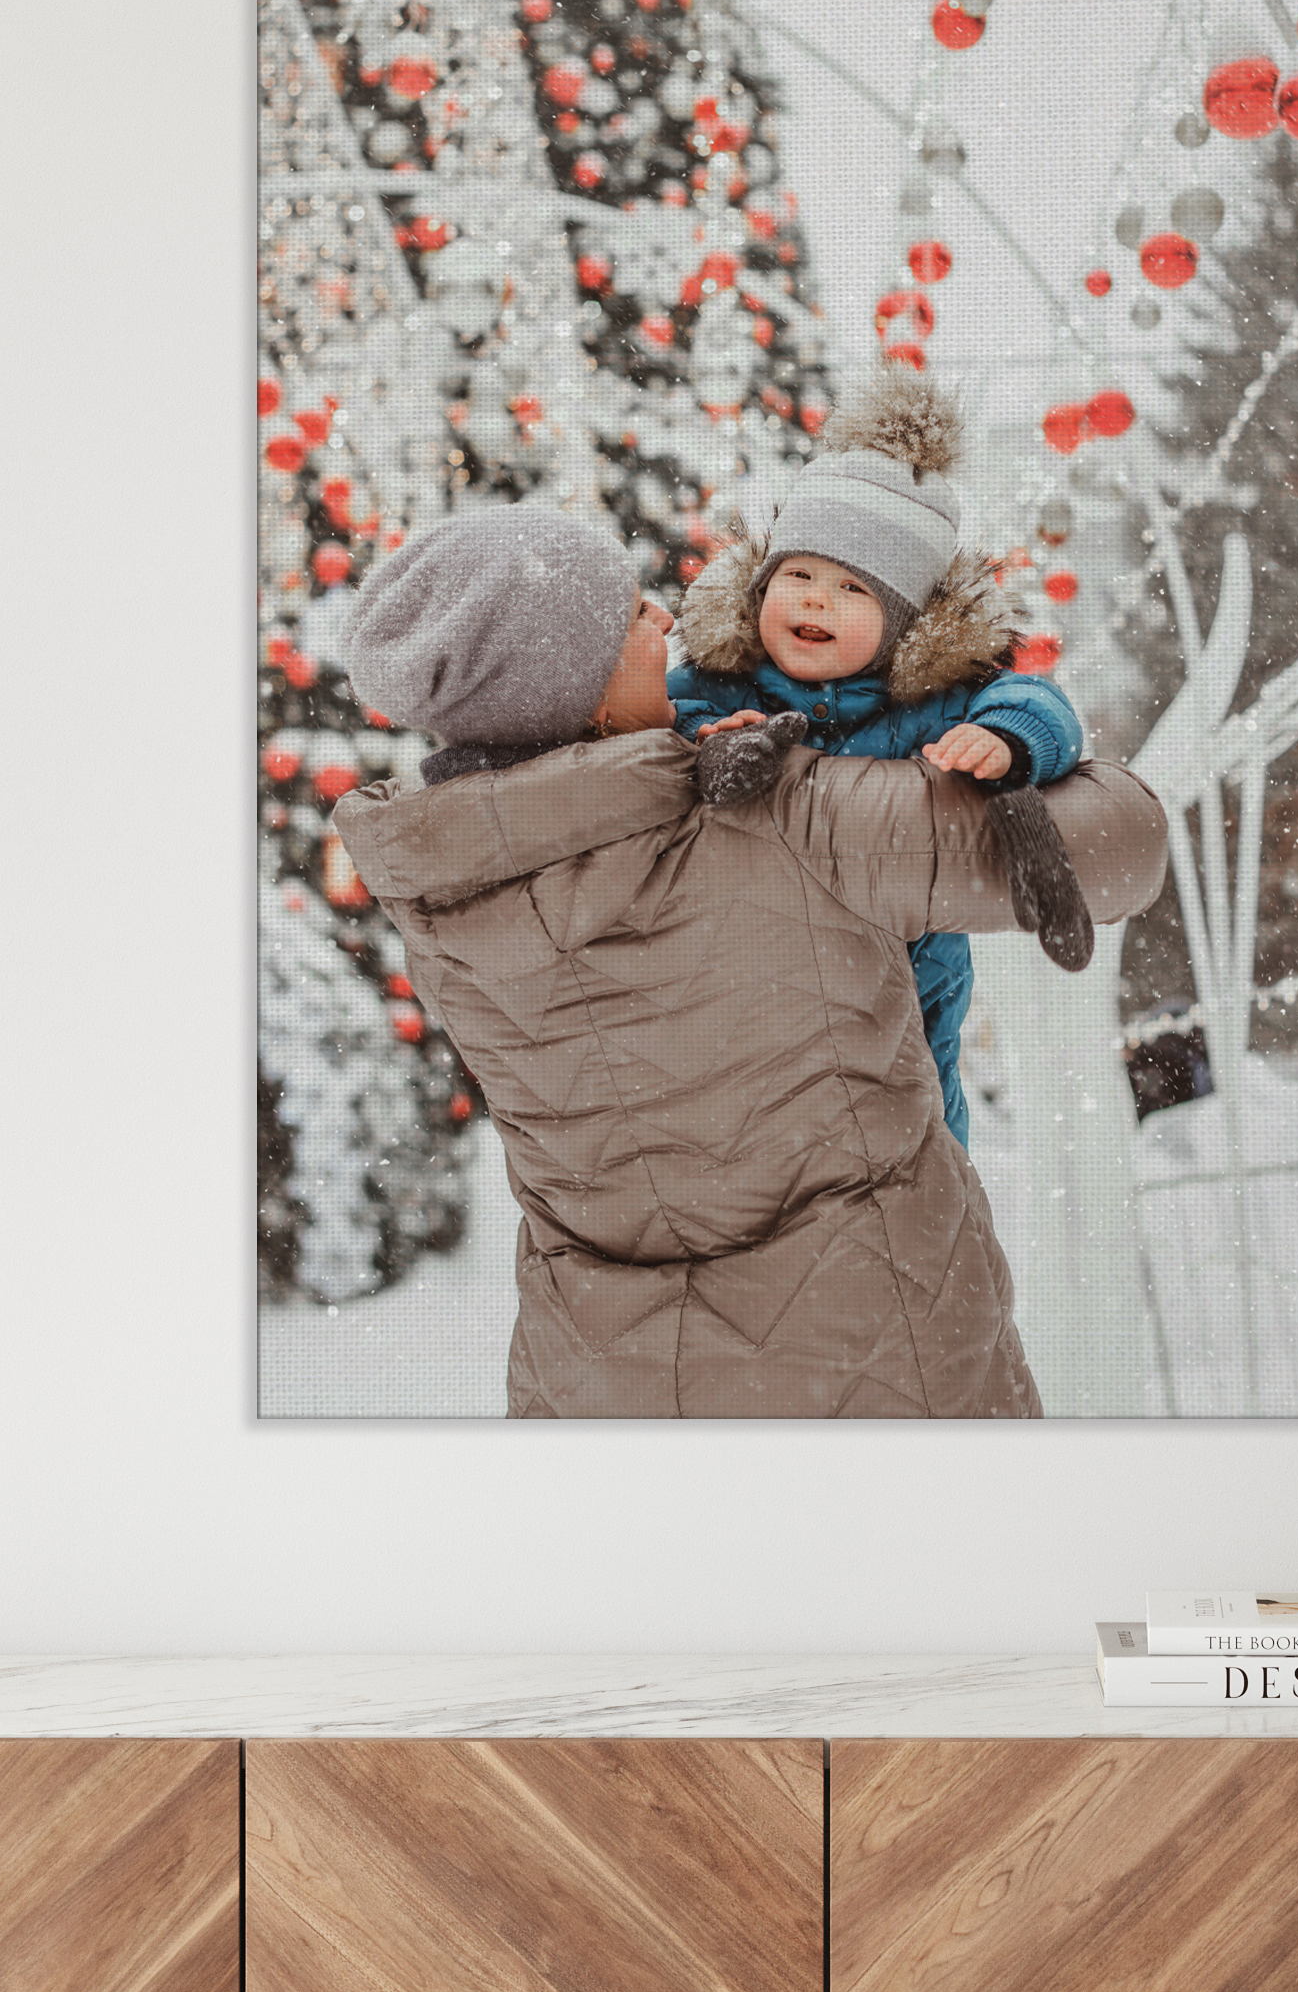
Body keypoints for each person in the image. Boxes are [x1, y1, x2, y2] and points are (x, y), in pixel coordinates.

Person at [330, 497, 1168, 1418]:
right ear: (587, 697)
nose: (664, 617)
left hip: (602, 1385)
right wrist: (990, 740)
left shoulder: (444, 891)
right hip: (872, 1359)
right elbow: (1121, 849)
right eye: (628, 619)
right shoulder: (777, 813)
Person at [666, 379, 1094, 1147]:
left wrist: (1004, 740)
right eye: (796, 576)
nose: (816, 601)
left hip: (909, 986)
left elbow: (1049, 708)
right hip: (755, 976)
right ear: (763, 584)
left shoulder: (930, 700)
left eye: (852, 588)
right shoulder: (719, 679)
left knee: (917, 1135)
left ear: (903, 625)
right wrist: (708, 736)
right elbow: (669, 715)